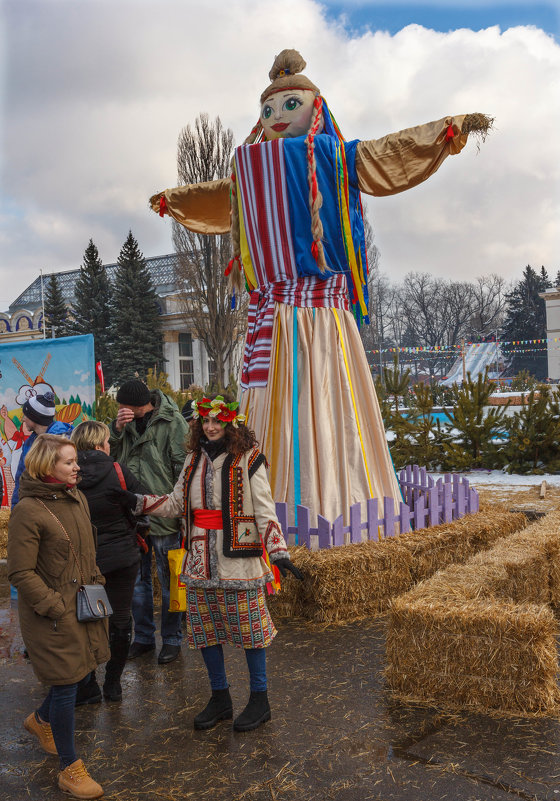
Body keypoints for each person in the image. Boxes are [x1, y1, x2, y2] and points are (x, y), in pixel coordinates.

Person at [150, 49, 491, 525]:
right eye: (268, 110)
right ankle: (274, 504)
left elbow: (389, 153)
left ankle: (328, 499)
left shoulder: (335, 156)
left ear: (315, 107)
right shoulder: (247, 172)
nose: (275, 118)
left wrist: (446, 130)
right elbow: (219, 197)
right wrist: (176, 201)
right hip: (274, 314)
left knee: (330, 406)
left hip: (321, 313)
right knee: (274, 404)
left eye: (290, 105)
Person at [113, 394, 303, 732]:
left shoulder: (249, 460)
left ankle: (260, 699)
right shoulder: (192, 460)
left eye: (218, 421)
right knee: (204, 631)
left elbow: (264, 509)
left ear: (231, 422)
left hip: (239, 562)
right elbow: (175, 504)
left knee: (251, 632)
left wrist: (279, 552)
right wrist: (137, 501)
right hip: (199, 561)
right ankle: (220, 697)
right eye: (206, 422)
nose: (211, 427)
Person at [7, 434, 108, 800]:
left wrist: (95, 584)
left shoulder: (76, 497)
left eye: (74, 461)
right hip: (52, 613)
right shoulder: (28, 510)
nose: (77, 466)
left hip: (84, 604)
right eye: (69, 462)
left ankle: (40, 719)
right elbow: (20, 572)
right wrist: (54, 605)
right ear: (47, 467)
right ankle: (70, 768)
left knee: (80, 675)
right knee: (67, 684)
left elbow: (85, 550)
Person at [109, 379, 188, 664]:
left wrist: (183, 513)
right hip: (133, 516)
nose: (121, 410)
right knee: (137, 583)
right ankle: (143, 638)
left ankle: (171, 639)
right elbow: (111, 458)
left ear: (139, 404)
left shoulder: (173, 422)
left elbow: (183, 470)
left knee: (170, 583)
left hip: (164, 515)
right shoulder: (123, 425)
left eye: (124, 406)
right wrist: (116, 430)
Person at [71, 420, 148, 703]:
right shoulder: (117, 470)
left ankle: (88, 683)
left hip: (83, 561)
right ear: (100, 444)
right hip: (122, 557)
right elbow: (142, 499)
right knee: (119, 619)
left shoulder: (67, 473)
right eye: (107, 442)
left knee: (84, 621)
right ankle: (113, 682)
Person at [11, 390, 73, 507]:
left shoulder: (63, 442)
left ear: (35, 418)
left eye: (26, 415)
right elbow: (21, 479)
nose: (23, 419)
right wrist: (16, 508)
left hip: (56, 507)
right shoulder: (29, 443)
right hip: (32, 508)